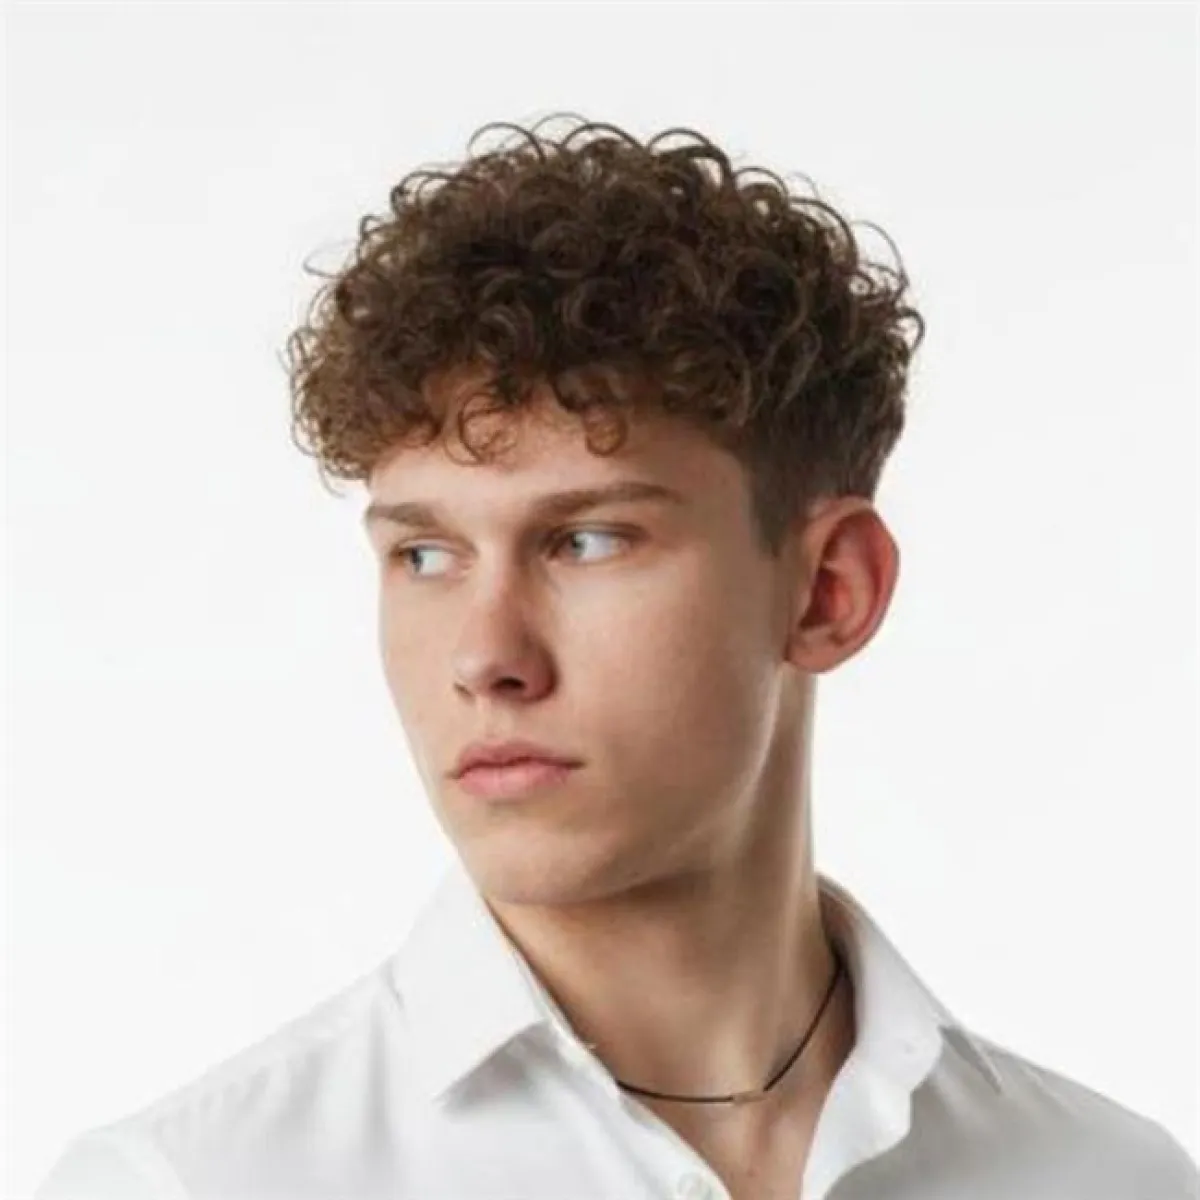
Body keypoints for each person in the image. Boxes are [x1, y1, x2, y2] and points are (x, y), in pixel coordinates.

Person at [35, 113, 1198, 1200]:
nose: (485, 658)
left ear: (828, 593)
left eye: (586, 540)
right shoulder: (191, 1182)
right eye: (426, 556)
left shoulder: (1107, 1178)